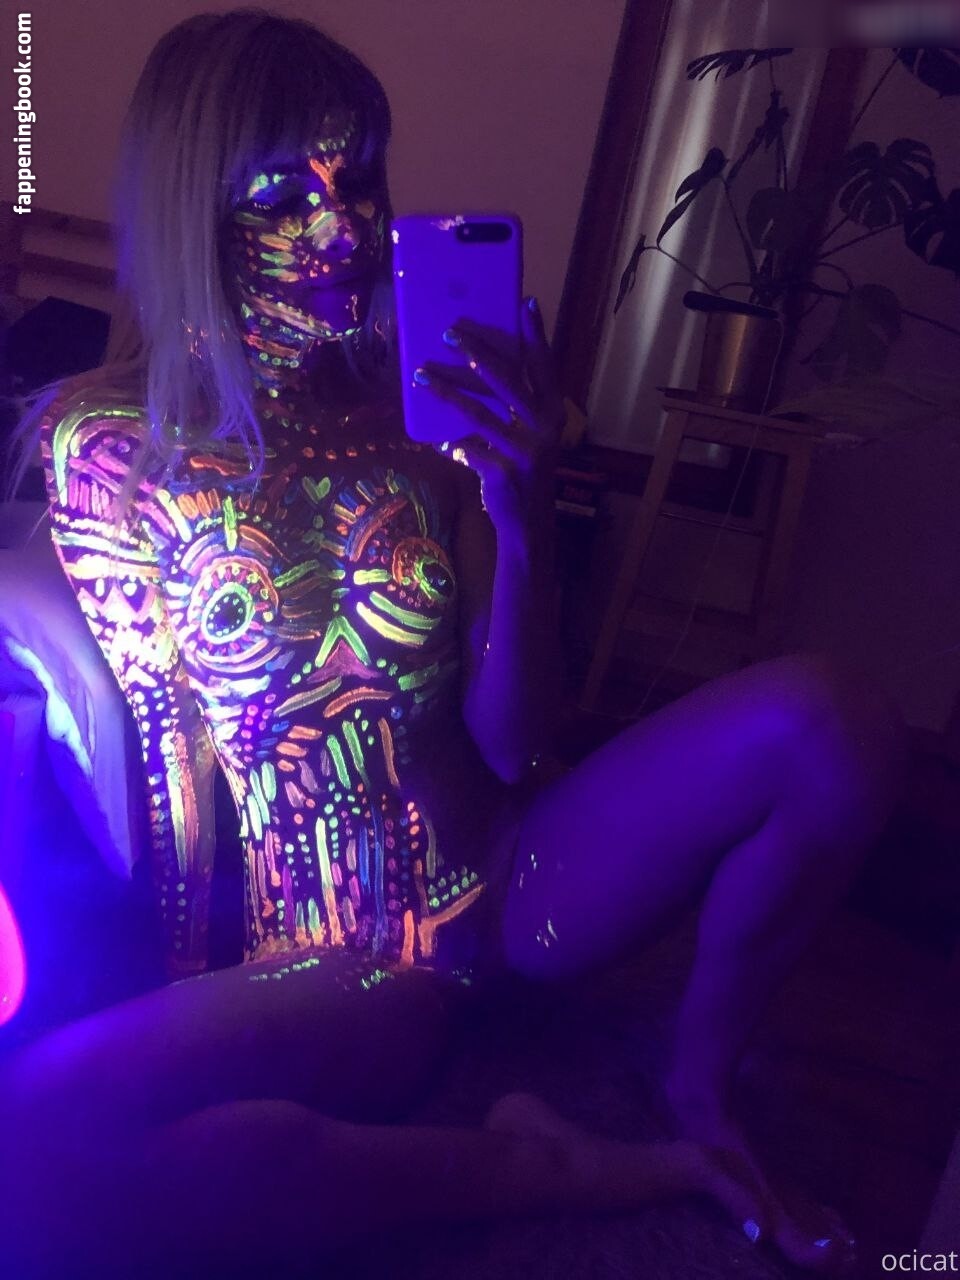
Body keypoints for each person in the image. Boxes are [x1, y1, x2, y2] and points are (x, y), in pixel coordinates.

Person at [1, 10, 905, 1275]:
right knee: (42, 1135)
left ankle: (697, 1094)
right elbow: (148, 758)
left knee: (833, 723)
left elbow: (515, 739)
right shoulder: (108, 447)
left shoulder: (427, 420)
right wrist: (176, 995)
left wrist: (521, 510)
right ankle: (555, 1160)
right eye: (285, 196)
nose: (346, 229)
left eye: (360, 179)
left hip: (512, 889)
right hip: (324, 963)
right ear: (189, 209)